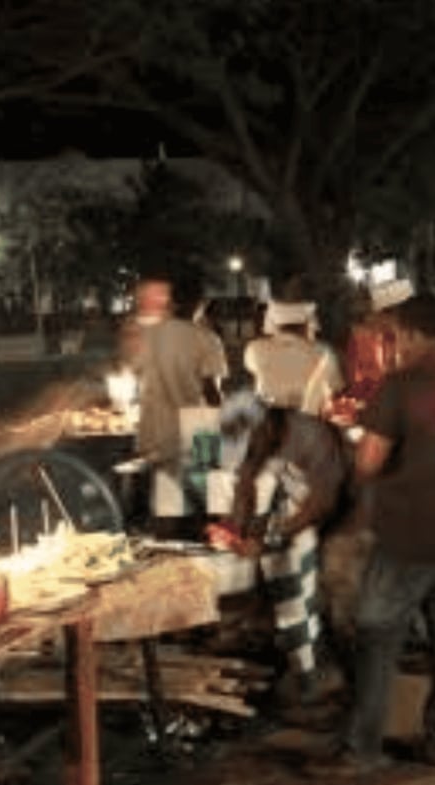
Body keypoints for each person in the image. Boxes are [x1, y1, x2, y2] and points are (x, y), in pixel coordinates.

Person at [315, 293, 435, 776]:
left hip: (407, 526)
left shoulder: (398, 388)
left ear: (416, 336)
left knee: (377, 633)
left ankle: (362, 748)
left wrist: (358, 443)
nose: (390, 347)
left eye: (394, 338)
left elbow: (369, 463)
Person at [216, 404, 349, 703]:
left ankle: (311, 682)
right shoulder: (258, 439)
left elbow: (317, 505)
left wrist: (268, 539)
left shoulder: (310, 439)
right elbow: (245, 482)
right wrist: (235, 527)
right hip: (296, 514)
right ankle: (308, 669)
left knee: (299, 603)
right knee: (299, 599)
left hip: (344, 510)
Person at [121, 275, 229, 530]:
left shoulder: (145, 337)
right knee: (210, 505)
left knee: (168, 504)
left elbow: (134, 376)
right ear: (199, 304)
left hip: (157, 429)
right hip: (199, 429)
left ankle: (169, 552)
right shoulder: (207, 338)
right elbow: (211, 391)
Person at [244, 298, 344, 414]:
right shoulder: (322, 351)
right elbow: (336, 387)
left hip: (270, 418)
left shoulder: (255, 349)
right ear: (306, 323)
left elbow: (253, 369)